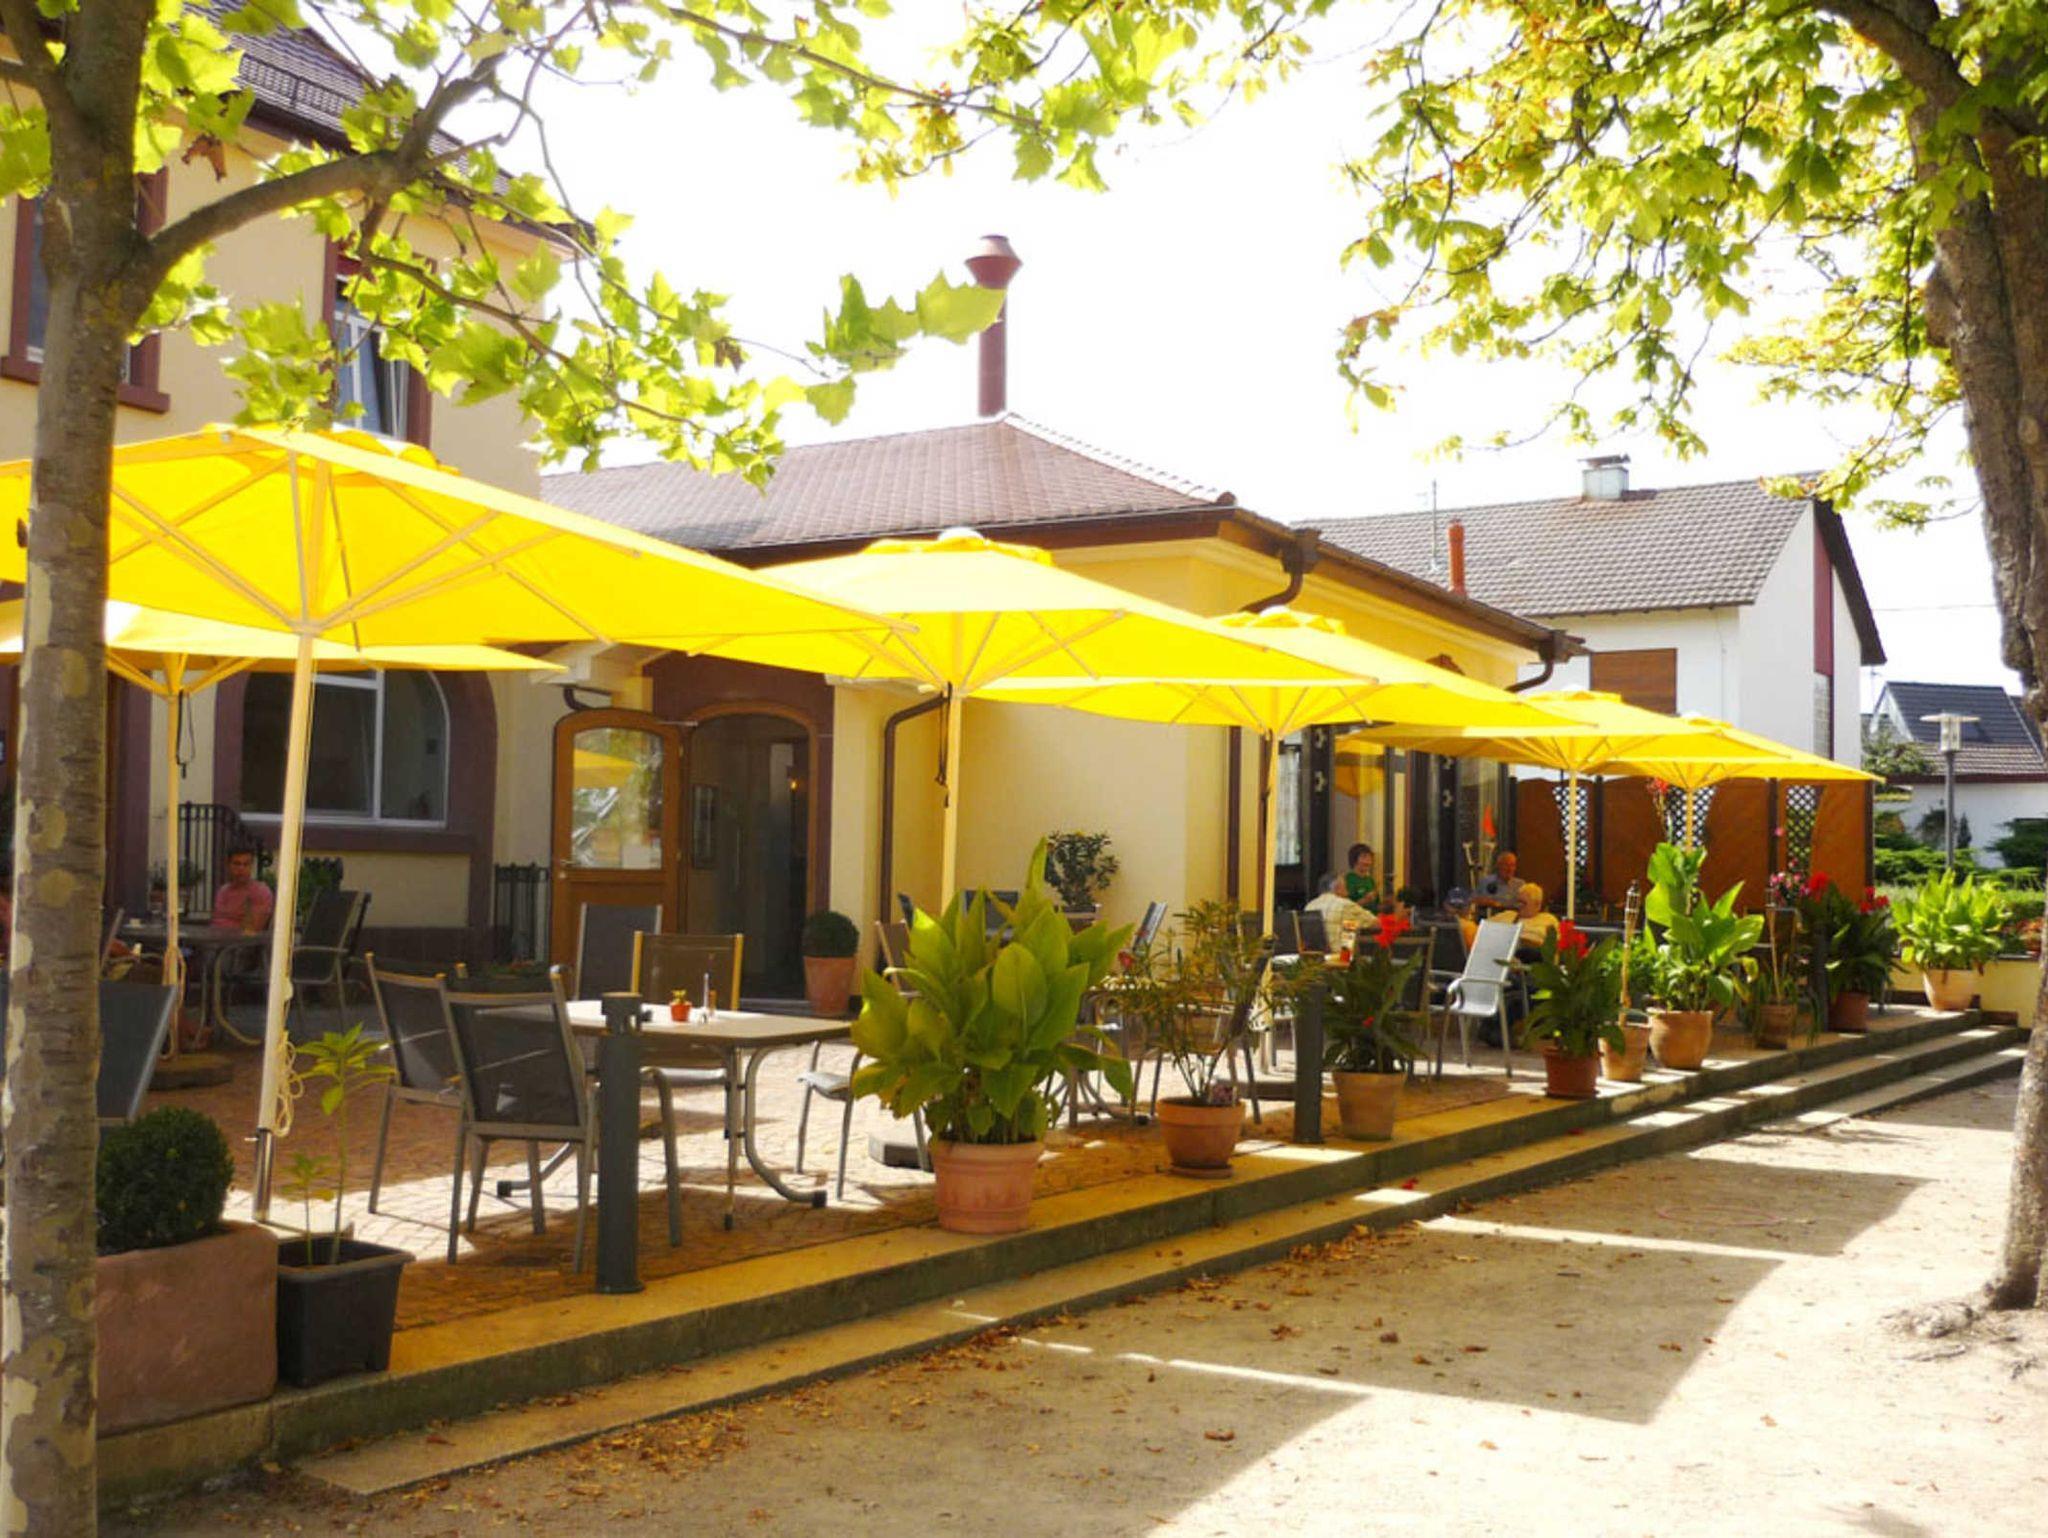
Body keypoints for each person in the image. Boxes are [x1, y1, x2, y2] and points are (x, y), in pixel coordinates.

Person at [212, 847, 275, 934]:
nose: (241, 868)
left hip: (245, 942)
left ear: (251, 866)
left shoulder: (261, 892)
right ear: (228, 865)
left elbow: (253, 928)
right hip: (217, 938)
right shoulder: (223, 892)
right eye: (237, 864)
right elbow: (216, 922)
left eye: (246, 864)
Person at [1489, 881, 1558, 957]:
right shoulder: (1507, 915)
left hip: (1531, 957)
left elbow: (1556, 947)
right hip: (1500, 953)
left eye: (1523, 903)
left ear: (1537, 905)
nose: (1519, 905)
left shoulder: (1548, 920)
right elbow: (1482, 929)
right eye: (1518, 902)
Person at [1304, 872, 1375, 945]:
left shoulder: (1309, 906)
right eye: (1346, 887)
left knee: (1349, 925)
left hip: (1313, 951)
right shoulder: (1345, 904)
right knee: (1350, 928)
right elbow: (1375, 923)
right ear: (1337, 888)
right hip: (1339, 952)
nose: (1348, 892)